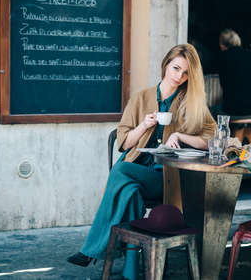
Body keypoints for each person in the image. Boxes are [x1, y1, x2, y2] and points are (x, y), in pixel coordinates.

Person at [66, 44, 216, 280]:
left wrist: (180, 136)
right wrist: (144, 125)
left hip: (164, 176)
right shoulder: (141, 98)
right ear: (166, 64)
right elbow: (124, 144)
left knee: (121, 168)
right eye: (175, 68)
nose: (179, 76)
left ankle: (91, 250)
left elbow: (213, 138)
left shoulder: (192, 102)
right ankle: (131, 272)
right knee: (130, 192)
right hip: (136, 171)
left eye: (185, 73)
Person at [214, 29, 251, 117]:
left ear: (222, 44)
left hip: (234, 109)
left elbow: (224, 85)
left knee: (212, 112)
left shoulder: (222, 58)